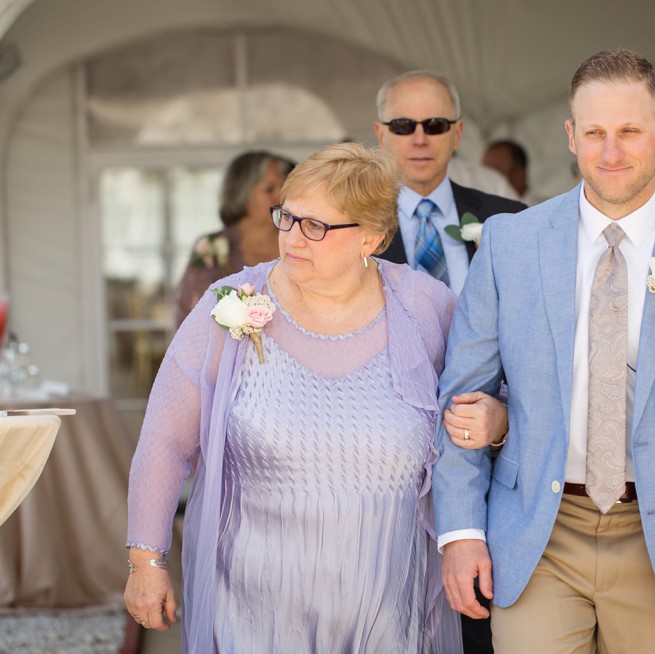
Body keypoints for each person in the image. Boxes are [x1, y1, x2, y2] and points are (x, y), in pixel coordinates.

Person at [433, 49, 655, 653]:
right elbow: (461, 398)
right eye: (595, 133)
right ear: (571, 136)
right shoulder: (509, 245)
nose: (611, 152)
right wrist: (462, 530)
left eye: (629, 131)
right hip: (538, 533)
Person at [124, 143, 505, 653]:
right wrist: (145, 562)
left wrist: (495, 418)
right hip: (258, 605)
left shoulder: (423, 304)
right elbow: (165, 440)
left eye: (316, 226)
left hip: (388, 607)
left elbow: (489, 393)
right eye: (287, 217)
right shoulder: (231, 305)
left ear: (371, 237)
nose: (292, 238)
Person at [373, 70, 526, 297]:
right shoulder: (351, 226)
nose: (420, 139)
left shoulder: (511, 220)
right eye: (403, 126)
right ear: (381, 135)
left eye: (435, 125)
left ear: (457, 134)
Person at [173, 150, 294, 327]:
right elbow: (190, 320)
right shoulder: (211, 247)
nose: (281, 196)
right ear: (242, 193)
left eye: (284, 188)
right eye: (269, 189)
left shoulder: (298, 241)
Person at [481, 140, 533, 205]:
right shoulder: (483, 208)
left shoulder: (544, 209)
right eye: (484, 173)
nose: (487, 179)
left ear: (519, 176)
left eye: (495, 174)